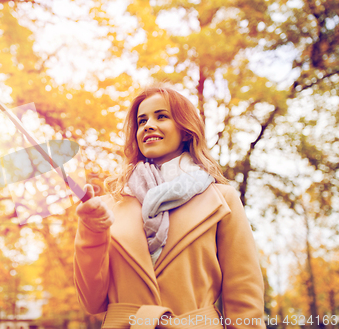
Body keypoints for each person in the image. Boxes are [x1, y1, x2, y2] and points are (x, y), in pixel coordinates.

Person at [74, 84, 265, 329]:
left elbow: (244, 297)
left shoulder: (222, 199)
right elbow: (92, 302)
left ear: (186, 131)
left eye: (161, 116)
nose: (148, 125)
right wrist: (92, 232)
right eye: (142, 121)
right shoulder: (108, 207)